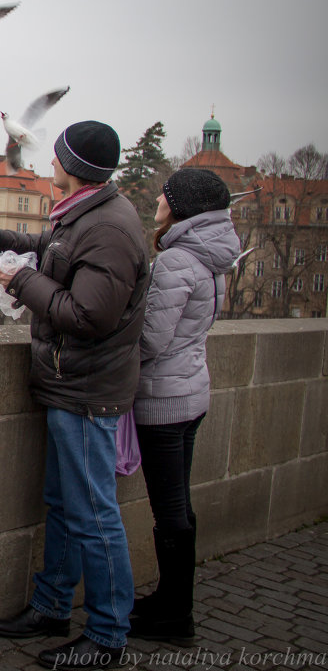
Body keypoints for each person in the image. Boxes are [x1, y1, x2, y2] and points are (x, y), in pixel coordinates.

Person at [0, 121, 150, 671]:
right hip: (71, 383)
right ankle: (53, 606)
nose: (49, 162)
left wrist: (18, 282)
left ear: (72, 165)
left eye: (57, 155)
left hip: (86, 388)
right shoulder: (89, 211)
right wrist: (1, 239)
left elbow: (88, 315)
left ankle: (108, 635)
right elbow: (56, 251)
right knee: (65, 507)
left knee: (94, 515)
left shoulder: (109, 227)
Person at [128, 168, 238, 646]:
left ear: (183, 206)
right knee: (180, 506)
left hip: (164, 400)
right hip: (193, 390)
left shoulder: (177, 261)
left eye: (166, 194)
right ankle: (172, 602)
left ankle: (176, 614)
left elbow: (150, 340)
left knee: (169, 510)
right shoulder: (214, 257)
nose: (158, 198)